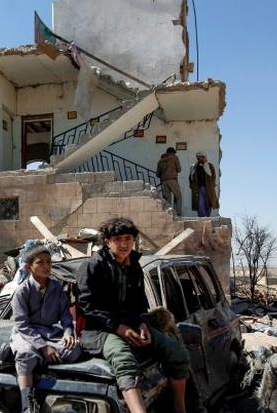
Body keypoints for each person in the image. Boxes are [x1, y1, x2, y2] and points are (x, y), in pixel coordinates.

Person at [76, 217, 190, 413]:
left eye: (128, 238)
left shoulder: (135, 266)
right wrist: (118, 328)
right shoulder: (92, 266)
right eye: (118, 239)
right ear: (107, 241)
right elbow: (86, 306)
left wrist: (143, 324)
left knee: (178, 352)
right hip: (98, 330)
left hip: (131, 327)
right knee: (124, 359)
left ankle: (180, 408)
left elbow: (139, 304)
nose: (124, 244)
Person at [10, 245, 81, 413]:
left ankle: (37, 360)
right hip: (26, 333)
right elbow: (21, 324)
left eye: (48, 262)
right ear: (29, 267)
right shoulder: (22, 291)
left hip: (49, 332)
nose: (46, 266)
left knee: (74, 349)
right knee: (26, 354)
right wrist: (43, 347)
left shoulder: (56, 288)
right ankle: (27, 403)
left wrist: (68, 332)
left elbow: (65, 315)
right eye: (40, 263)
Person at [188, 152, 219, 217]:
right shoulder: (193, 166)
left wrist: (212, 185)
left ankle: (207, 215)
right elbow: (190, 177)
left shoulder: (209, 166)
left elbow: (213, 176)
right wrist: (191, 185)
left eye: (201, 157)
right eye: (198, 157)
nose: (200, 158)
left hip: (208, 188)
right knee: (200, 203)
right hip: (198, 188)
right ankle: (202, 216)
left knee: (208, 202)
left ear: (204, 157)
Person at [156, 147, 182, 216]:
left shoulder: (160, 161)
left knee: (167, 198)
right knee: (178, 196)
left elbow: (157, 174)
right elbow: (179, 169)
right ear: (173, 152)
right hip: (172, 179)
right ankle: (178, 213)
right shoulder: (174, 157)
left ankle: (168, 213)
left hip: (164, 181)